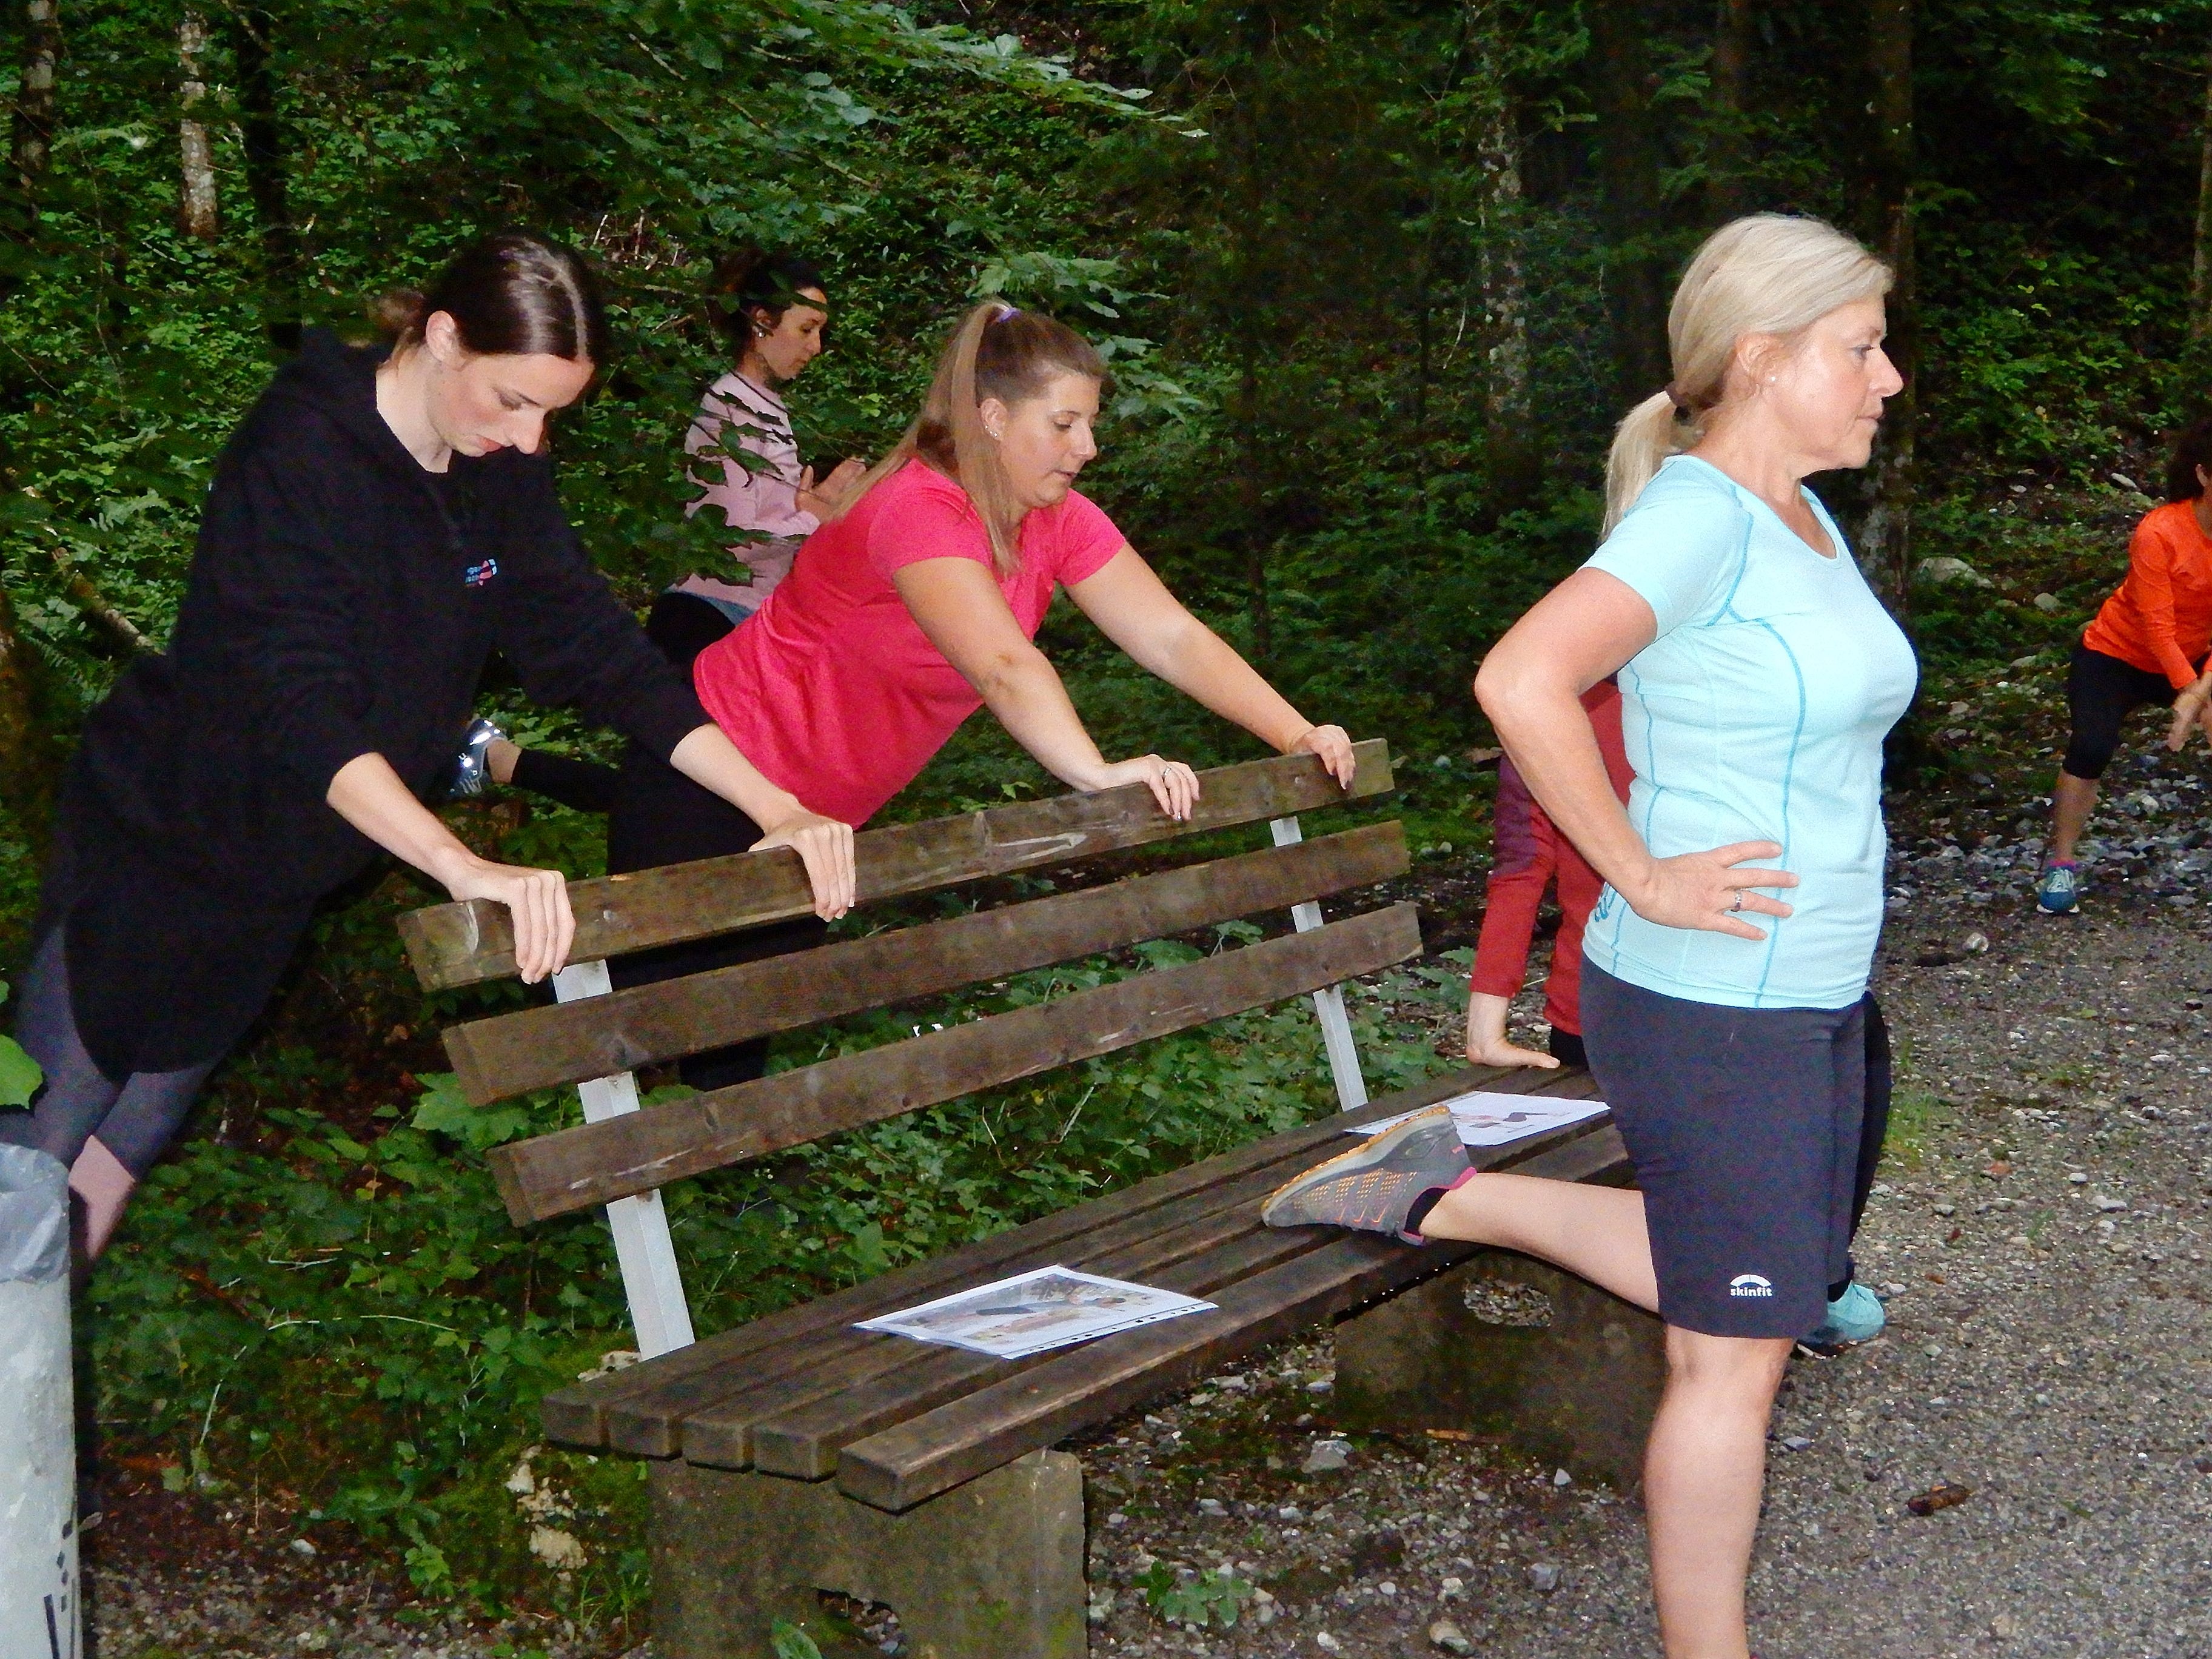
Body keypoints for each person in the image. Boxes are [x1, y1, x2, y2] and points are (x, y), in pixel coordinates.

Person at [1262, 213, 1915, 1659]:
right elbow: (1523, 677)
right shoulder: (1698, 515)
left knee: (1784, 1280)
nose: (1889, 377)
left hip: (1809, 988)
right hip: (1714, 997)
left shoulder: (1800, 514)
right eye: (1862, 346)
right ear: (1762, 356)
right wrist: (1640, 869)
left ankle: (1446, 1193)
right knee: (1731, 1352)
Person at [0, 233, 853, 1258]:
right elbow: (296, 702)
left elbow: (592, 646)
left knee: (112, 1163)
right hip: (164, 841)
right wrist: (458, 863)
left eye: (553, 413)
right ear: (444, 339)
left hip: (281, 872)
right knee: (30, 1165)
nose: (533, 437)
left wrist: (775, 806)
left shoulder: (493, 466)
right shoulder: (304, 448)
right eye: (514, 400)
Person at [611, 300, 1358, 1090]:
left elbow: (1172, 637)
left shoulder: (1057, 520)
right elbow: (1004, 665)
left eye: (1090, 424)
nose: (1089, 447)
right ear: (994, 417)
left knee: (735, 1047)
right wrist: (1097, 773)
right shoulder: (916, 508)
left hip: (820, 818)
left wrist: (1294, 732)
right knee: (635, 1042)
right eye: (1065, 423)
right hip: (707, 772)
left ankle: (723, 1200)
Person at [475, 249, 868, 811]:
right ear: (761, 321)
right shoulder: (727, 407)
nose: (815, 347)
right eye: (806, 329)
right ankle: (500, 762)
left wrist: (814, 506)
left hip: (745, 623)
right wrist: (818, 516)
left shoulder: (768, 412)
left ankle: (503, 762)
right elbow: (729, 536)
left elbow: (766, 521)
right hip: (707, 617)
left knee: (690, 800)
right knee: (668, 798)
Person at [2035, 417, 2212, 914]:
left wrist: (2203, 689)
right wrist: (2191, 694)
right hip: (2117, 654)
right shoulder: (2161, 530)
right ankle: (2062, 865)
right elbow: (2157, 626)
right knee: (2091, 747)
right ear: (2203, 475)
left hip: (2197, 658)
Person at [1464, 680, 1629, 1071]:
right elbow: (1520, 871)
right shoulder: (1551, 708)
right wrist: (1484, 1035)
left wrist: (1484, 1031)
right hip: (1726, 1015)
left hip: (1595, 1018)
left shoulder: (1546, 707)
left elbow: (1519, 871)